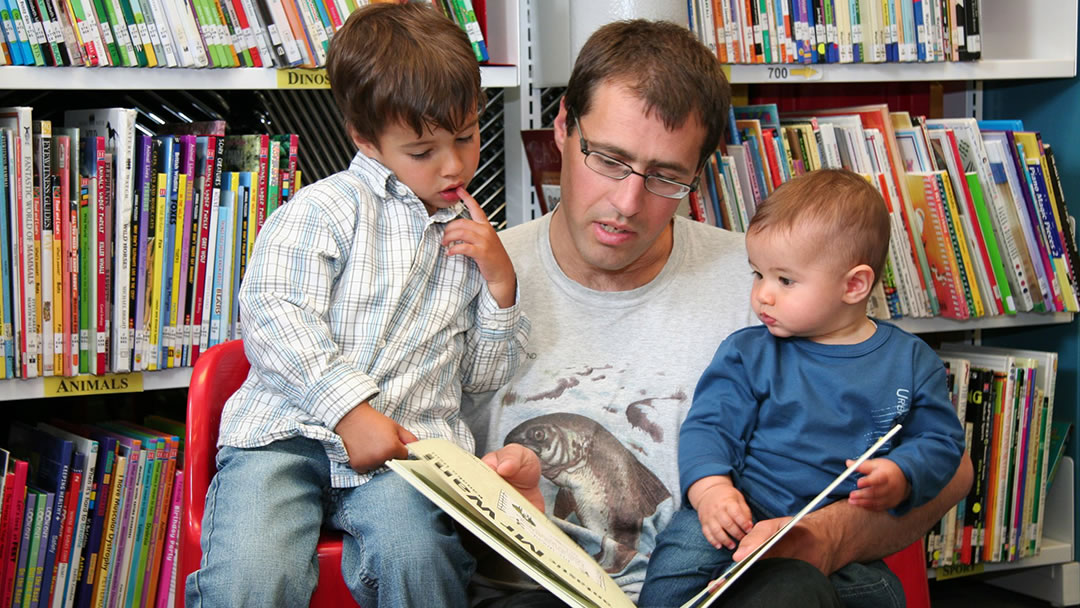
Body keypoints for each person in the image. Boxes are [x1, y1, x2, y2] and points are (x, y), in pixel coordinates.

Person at [464, 18, 972, 608]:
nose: (627, 203)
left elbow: (949, 466)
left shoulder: (771, 285)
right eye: (608, 159)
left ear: (699, 175)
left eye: (666, 176)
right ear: (561, 129)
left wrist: (825, 538)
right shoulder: (472, 277)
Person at [184, 4, 530, 607]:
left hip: (407, 457)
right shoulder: (322, 211)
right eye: (423, 150)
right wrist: (349, 412)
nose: (453, 165)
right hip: (285, 439)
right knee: (253, 574)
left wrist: (501, 289)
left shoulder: (473, 235)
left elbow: (479, 380)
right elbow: (275, 318)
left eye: (467, 137)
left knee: (420, 558)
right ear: (365, 140)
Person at [637, 169, 967, 606]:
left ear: (854, 285)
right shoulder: (747, 352)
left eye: (784, 280)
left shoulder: (910, 362)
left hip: (828, 521)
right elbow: (708, 427)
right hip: (742, 505)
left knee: (883, 595)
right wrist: (712, 489)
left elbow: (941, 440)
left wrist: (905, 473)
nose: (763, 296)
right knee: (678, 562)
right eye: (758, 275)